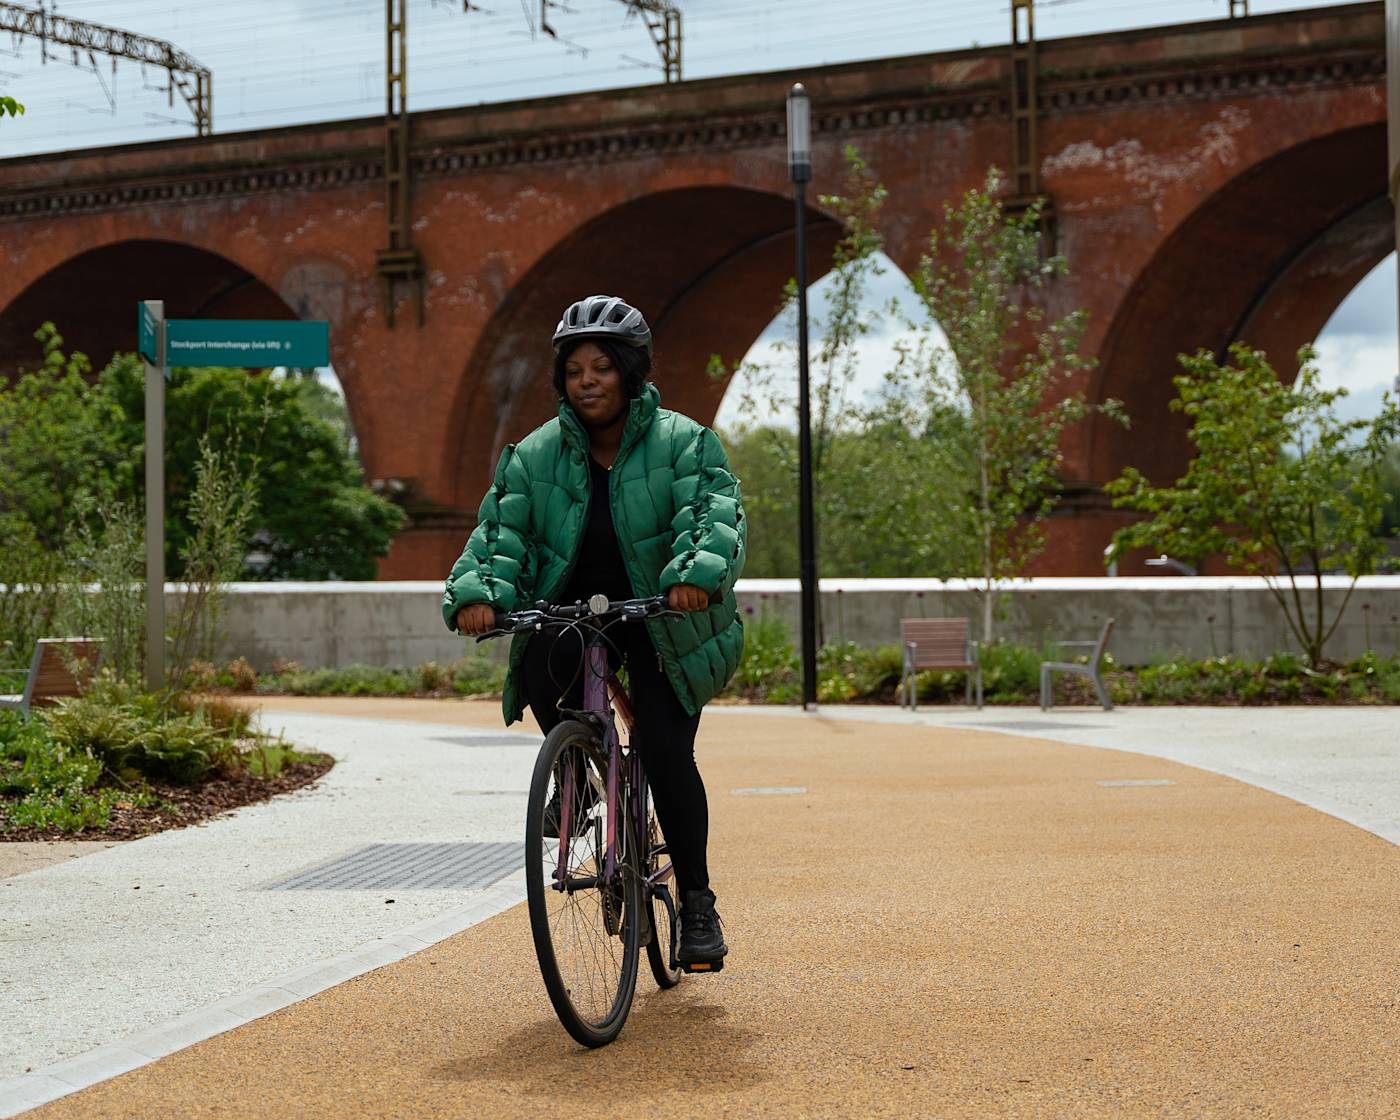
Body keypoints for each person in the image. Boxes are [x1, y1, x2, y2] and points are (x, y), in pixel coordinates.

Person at [442, 294, 747, 971]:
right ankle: (576, 775)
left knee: (666, 751)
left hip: (666, 616)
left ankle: (697, 905)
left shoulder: (683, 442)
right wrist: (478, 595)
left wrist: (694, 575)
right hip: (574, 611)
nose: (586, 381)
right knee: (545, 654)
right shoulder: (534, 456)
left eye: (602, 367)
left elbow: (711, 515)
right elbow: (501, 536)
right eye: (574, 369)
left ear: (629, 373)